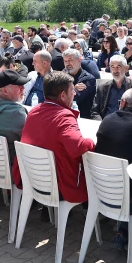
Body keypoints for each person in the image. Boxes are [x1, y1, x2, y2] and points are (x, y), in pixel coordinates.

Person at [12, 71, 95, 204]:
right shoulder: (64, 117)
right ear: (63, 95)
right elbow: (78, 147)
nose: (74, 93)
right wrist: (91, 141)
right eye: (72, 90)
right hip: (58, 186)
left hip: (31, 179)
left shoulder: (34, 111)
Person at [90, 55, 132, 120]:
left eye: (118, 67)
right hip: (106, 123)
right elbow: (95, 111)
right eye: (112, 67)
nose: (115, 71)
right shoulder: (102, 87)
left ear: (126, 68)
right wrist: (101, 123)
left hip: (126, 123)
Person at [63, 48, 96, 118]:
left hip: (81, 118)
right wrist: (73, 89)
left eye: (70, 60)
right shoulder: (62, 75)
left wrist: (64, 90)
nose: (67, 63)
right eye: (65, 61)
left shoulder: (88, 79)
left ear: (79, 60)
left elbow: (74, 99)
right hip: (63, 114)